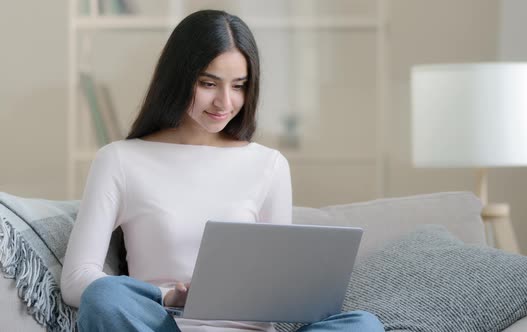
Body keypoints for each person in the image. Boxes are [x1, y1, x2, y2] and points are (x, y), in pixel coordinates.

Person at [61, 9, 384, 332]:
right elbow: (77, 279)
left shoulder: (268, 165)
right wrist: (169, 296)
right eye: (208, 83)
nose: (224, 102)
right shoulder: (119, 159)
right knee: (105, 296)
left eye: (239, 86)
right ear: (177, 78)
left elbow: (275, 282)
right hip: (165, 325)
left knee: (363, 325)